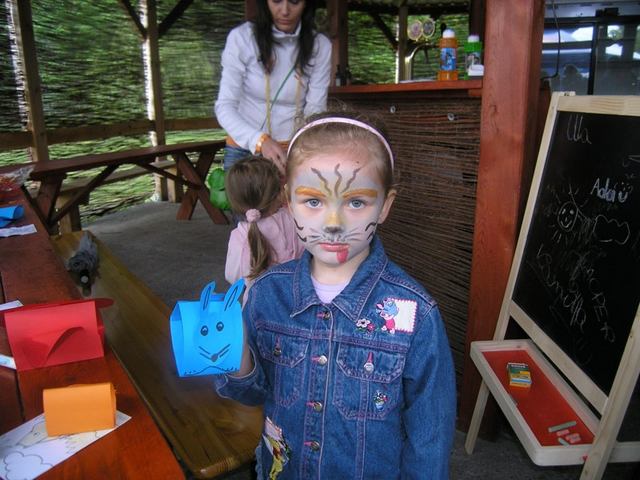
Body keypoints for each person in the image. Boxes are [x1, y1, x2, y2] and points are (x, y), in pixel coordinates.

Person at [215, 113, 457, 479]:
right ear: (288, 201)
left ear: (385, 206)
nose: (333, 223)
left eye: (356, 202)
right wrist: (237, 358)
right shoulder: (266, 294)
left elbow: (431, 436)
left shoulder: (415, 313)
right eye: (313, 201)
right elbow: (250, 394)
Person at [215, 0, 332, 174]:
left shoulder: (320, 45)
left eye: (294, 1)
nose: (285, 10)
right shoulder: (242, 38)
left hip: (293, 148)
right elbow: (224, 106)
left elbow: (316, 108)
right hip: (244, 148)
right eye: (276, 0)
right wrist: (259, 140)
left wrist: (301, 144)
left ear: (306, 3)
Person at [224, 155, 304, 303]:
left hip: (257, 306)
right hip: (297, 298)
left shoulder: (240, 234)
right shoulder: (294, 218)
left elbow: (233, 276)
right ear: (278, 192)